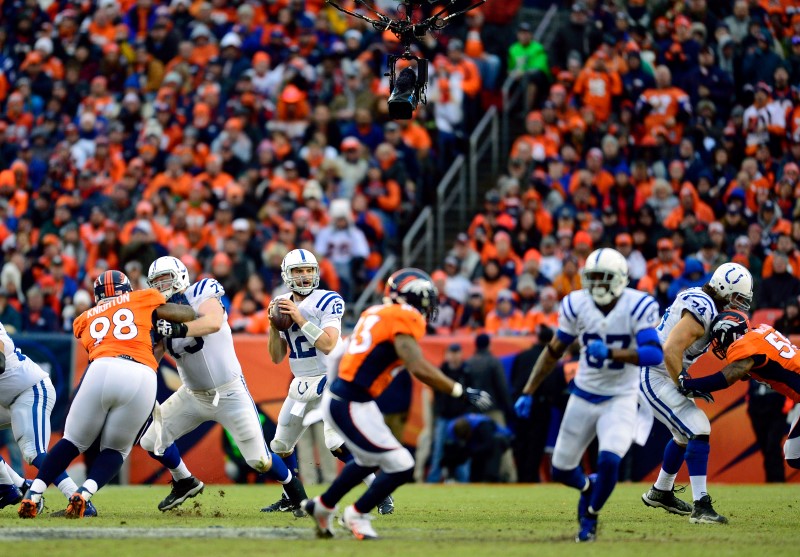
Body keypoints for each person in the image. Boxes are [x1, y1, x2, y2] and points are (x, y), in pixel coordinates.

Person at [302, 268, 492, 540]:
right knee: (402, 464)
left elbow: (340, 354)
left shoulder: (373, 313)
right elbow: (417, 366)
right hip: (351, 401)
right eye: (425, 298)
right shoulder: (403, 316)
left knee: (368, 460)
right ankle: (357, 514)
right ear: (410, 296)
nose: (428, 305)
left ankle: (322, 506)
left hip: (349, 397)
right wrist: (459, 390)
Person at [18, 271, 196, 518]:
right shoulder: (142, 298)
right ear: (127, 289)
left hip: (102, 368)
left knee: (72, 441)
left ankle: (34, 493)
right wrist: (167, 322)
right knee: (116, 449)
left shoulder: (82, 319)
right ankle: (84, 493)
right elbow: (187, 315)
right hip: (142, 373)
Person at [138, 256, 308, 512]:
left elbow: (212, 322)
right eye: (157, 281)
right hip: (193, 395)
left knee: (259, 460)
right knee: (151, 441)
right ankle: (185, 481)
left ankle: (297, 495)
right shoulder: (158, 314)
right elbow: (154, 358)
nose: (162, 286)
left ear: (181, 276)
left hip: (229, 392)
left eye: (166, 278)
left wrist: (176, 330)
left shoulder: (201, 292)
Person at [515, 248, 663, 542]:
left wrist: (612, 352)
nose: (596, 286)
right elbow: (553, 351)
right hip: (583, 394)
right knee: (560, 470)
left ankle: (590, 517)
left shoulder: (638, 305)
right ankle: (587, 486)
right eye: (592, 278)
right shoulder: (575, 304)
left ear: (620, 279)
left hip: (620, 396)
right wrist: (528, 391)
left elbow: (653, 353)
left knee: (609, 460)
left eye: (603, 278)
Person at [261, 249, 393, 516]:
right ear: (288, 274)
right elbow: (276, 357)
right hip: (301, 382)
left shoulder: (327, 300)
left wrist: (298, 317)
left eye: (309, 269)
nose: (305, 275)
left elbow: (330, 344)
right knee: (279, 447)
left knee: (336, 443)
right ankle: (292, 497)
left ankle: (380, 492)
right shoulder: (281, 302)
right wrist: (274, 328)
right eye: (298, 271)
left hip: (331, 377)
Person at [640, 262, 753, 525]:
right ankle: (701, 506)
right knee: (698, 428)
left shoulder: (706, 302)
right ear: (724, 289)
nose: (739, 304)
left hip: (665, 371)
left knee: (683, 434)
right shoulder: (703, 308)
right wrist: (683, 382)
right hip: (656, 373)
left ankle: (661, 490)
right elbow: (670, 350)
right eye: (737, 298)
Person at [679, 311, 800, 477]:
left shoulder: (744, 346)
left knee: (795, 454)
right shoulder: (761, 331)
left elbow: (730, 376)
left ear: (730, 333)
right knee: (794, 454)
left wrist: (689, 384)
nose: (719, 345)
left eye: (719, 338)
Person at [0, 322, 90, 513]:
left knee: (33, 451)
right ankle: (17, 487)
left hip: (29, 390)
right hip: (8, 400)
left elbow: (0, 357)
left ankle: (79, 499)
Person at [426, 344, 472, 483]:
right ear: (446, 354)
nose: (453, 356)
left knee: (462, 450)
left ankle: (463, 481)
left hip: (461, 417)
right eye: (451, 353)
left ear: (461, 354)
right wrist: (439, 412)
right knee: (438, 451)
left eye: (456, 352)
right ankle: (433, 480)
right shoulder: (441, 371)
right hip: (444, 417)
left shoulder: (466, 371)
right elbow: (436, 394)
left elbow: (470, 394)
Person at [442, 414, 514, 483]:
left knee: (495, 442)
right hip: (480, 443)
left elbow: (487, 445)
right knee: (466, 451)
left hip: (503, 439)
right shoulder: (455, 427)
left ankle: (491, 478)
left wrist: (471, 452)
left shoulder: (483, 425)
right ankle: (472, 479)